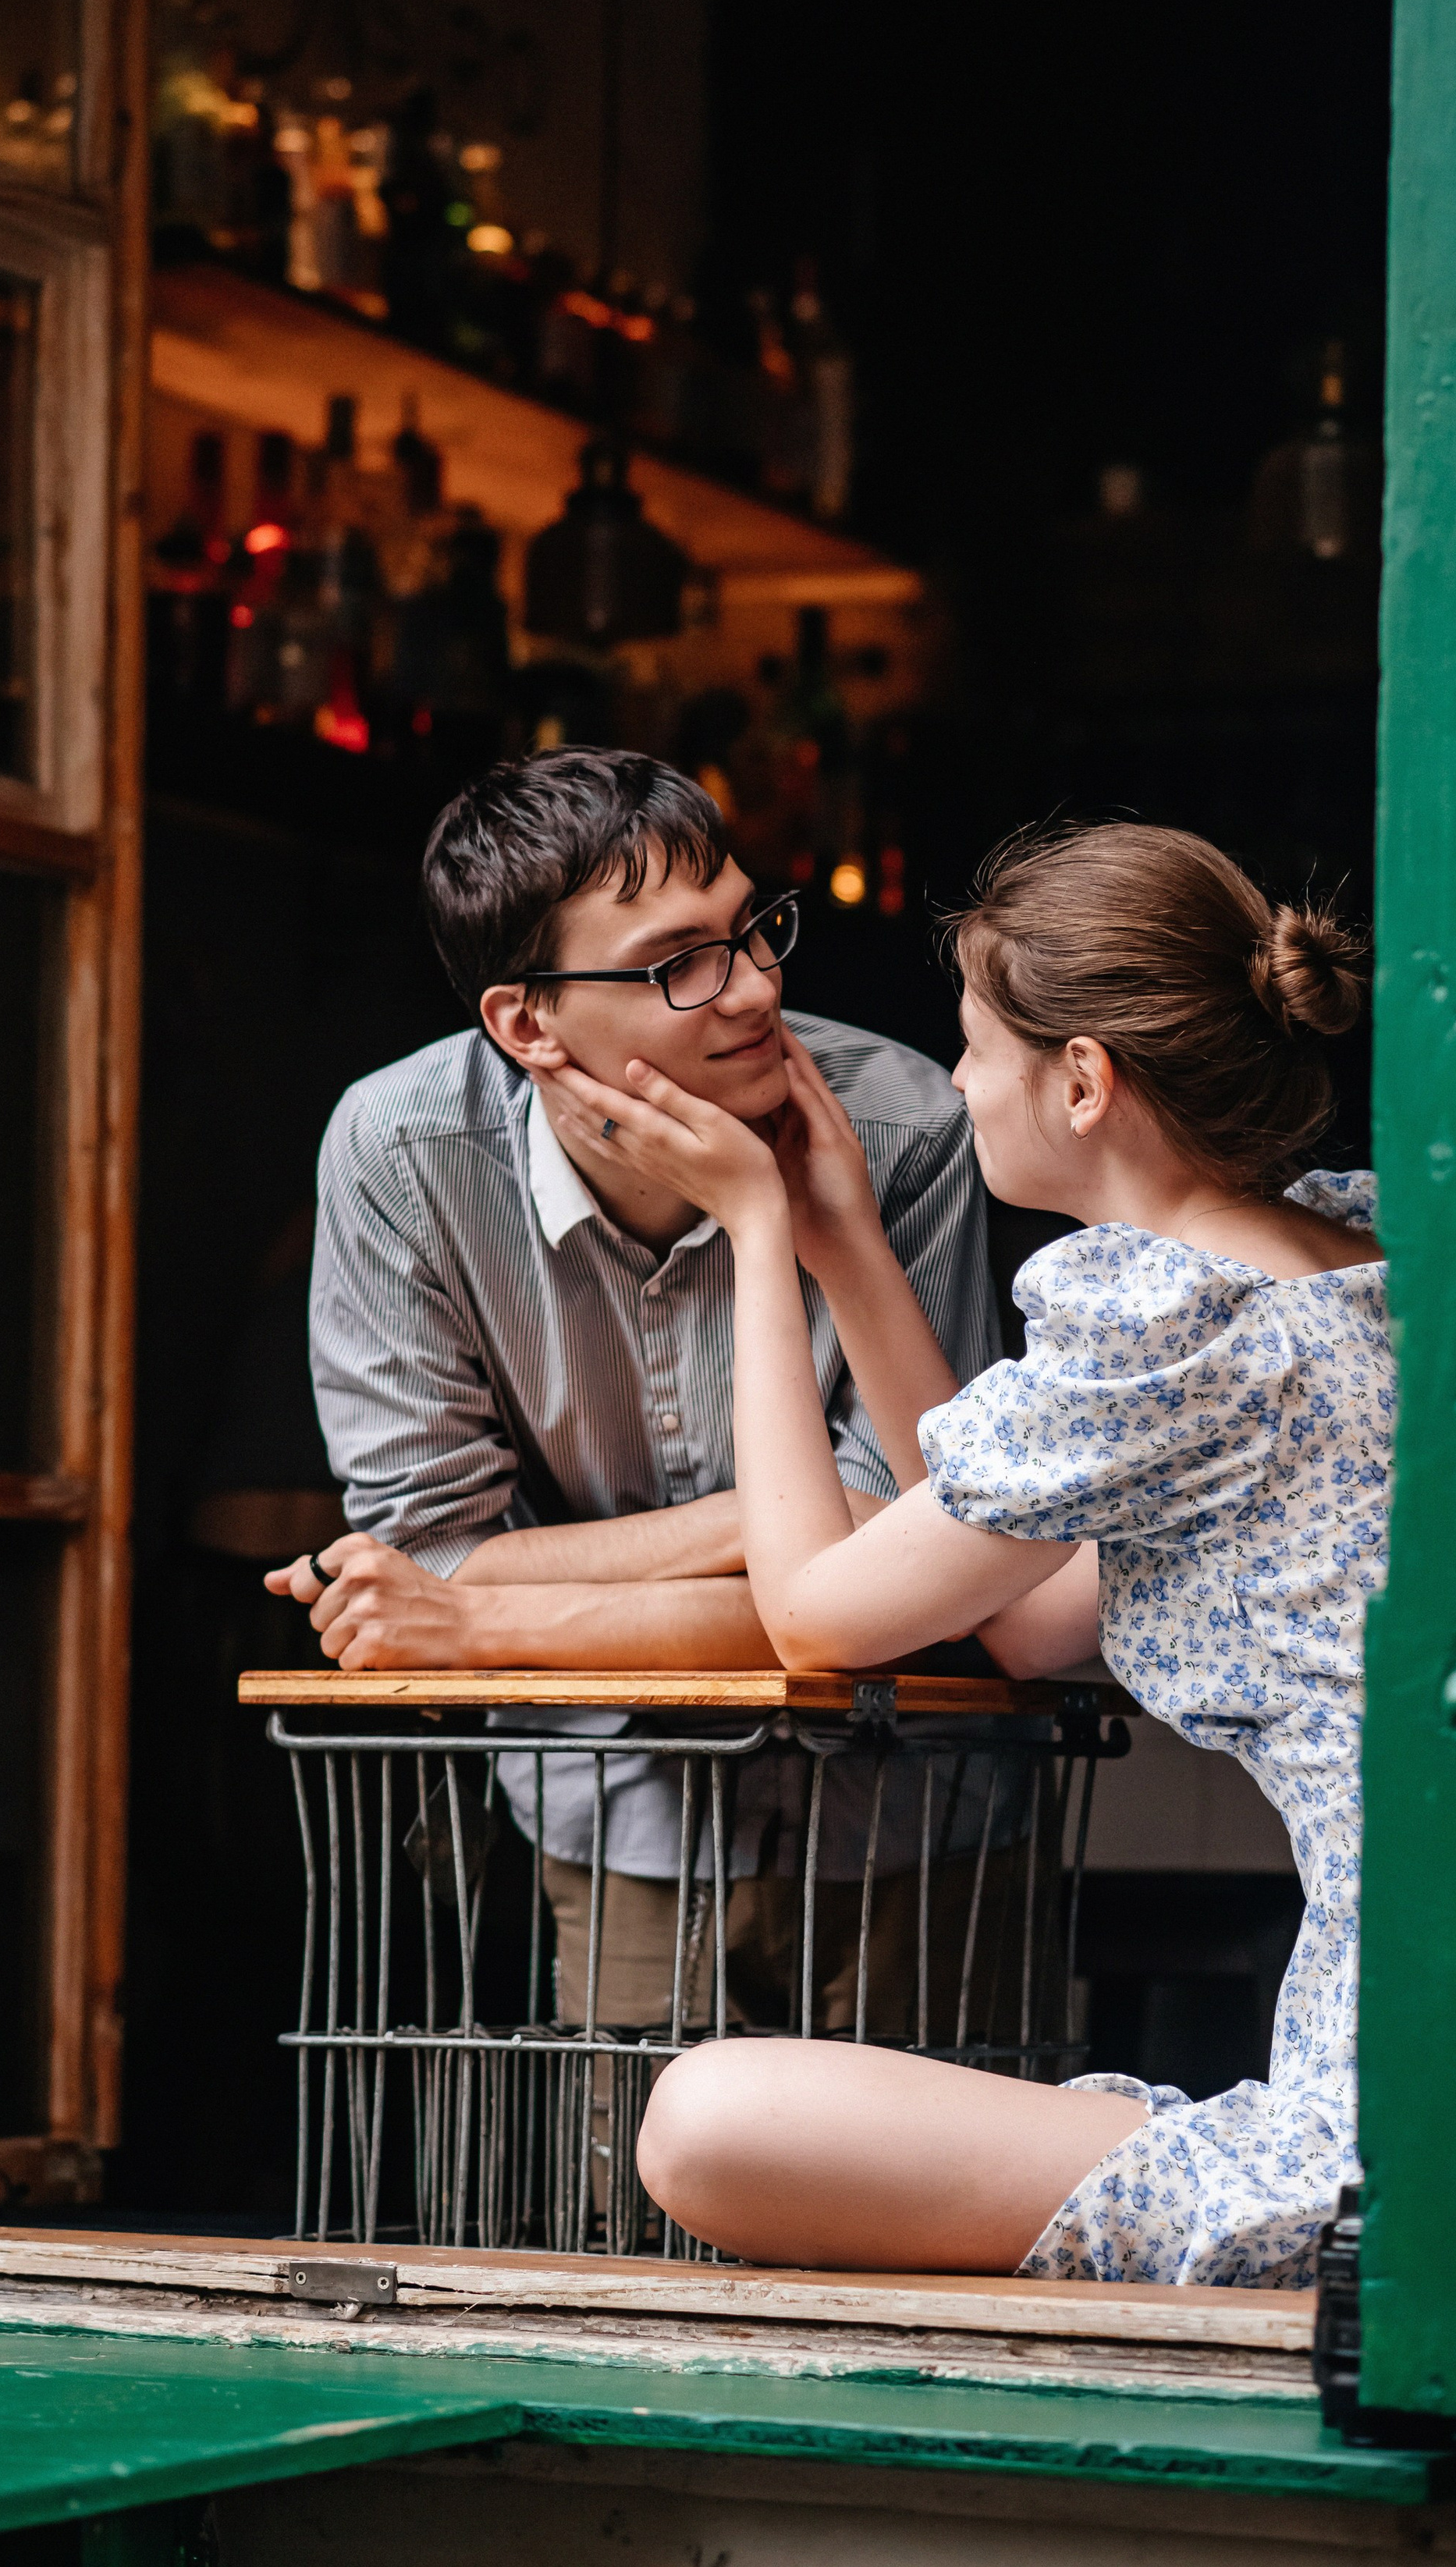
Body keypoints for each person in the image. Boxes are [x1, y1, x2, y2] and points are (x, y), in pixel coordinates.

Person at [539, 819, 1382, 2287]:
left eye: (974, 1047)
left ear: (1081, 1081)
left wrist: (752, 1232)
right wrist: (847, 1245)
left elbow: (815, 1618)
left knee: (702, 2120)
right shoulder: (1333, 1262)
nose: (956, 1086)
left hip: (1395, 2107)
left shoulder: (1172, 1320)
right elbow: (1029, 1615)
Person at [267, 745, 1007, 2043]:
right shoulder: (400, 1156)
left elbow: (908, 1571)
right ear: (526, 1022)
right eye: (680, 964)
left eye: (751, 930)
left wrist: (493, 1612)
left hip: (915, 1801)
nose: (755, 990)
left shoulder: (897, 1125)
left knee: (930, 2233)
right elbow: (440, 1550)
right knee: (635, 2227)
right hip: (614, 1803)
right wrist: (784, 1528)